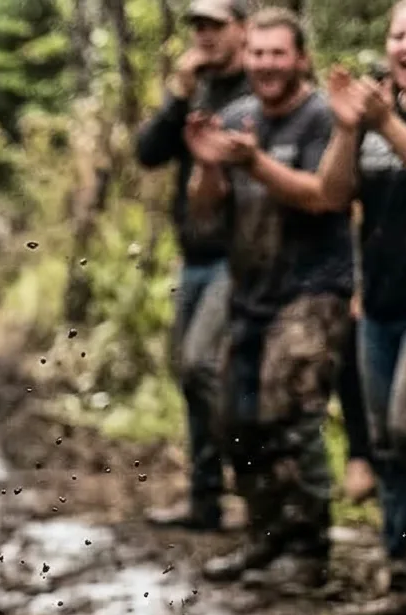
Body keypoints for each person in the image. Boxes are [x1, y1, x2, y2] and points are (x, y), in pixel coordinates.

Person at [186, 8, 361, 589]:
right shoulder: (236, 118)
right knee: (232, 417)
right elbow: (207, 209)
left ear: (300, 58)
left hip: (314, 289)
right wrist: (209, 168)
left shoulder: (319, 120)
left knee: (290, 414)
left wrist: (253, 162)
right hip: (250, 289)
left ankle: (312, 550)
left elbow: (324, 198)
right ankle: (263, 536)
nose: (265, 64)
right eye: (257, 53)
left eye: (277, 53)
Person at [328, 7, 406, 615]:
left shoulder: (388, 118)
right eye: (400, 35)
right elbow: (336, 196)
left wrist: (386, 123)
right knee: (388, 447)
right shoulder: (371, 115)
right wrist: (347, 129)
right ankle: (403, 579)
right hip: (382, 298)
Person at [134, 0, 250, 532]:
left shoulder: (259, 89)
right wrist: (177, 94)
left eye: (215, 25)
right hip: (196, 255)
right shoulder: (195, 88)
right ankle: (206, 498)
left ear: (241, 30)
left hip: (243, 255)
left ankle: (252, 482)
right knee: (188, 372)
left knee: (203, 366)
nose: (203, 36)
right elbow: (149, 152)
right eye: (197, 26)